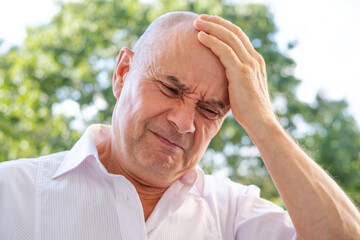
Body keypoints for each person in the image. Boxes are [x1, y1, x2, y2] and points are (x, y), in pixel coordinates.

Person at [0, 11, 359, 240]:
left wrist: (263, 121)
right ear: (123, 73)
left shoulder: (231, 211)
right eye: (170, 88)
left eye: (209, 110)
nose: (184, 122)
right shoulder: (11, 194)